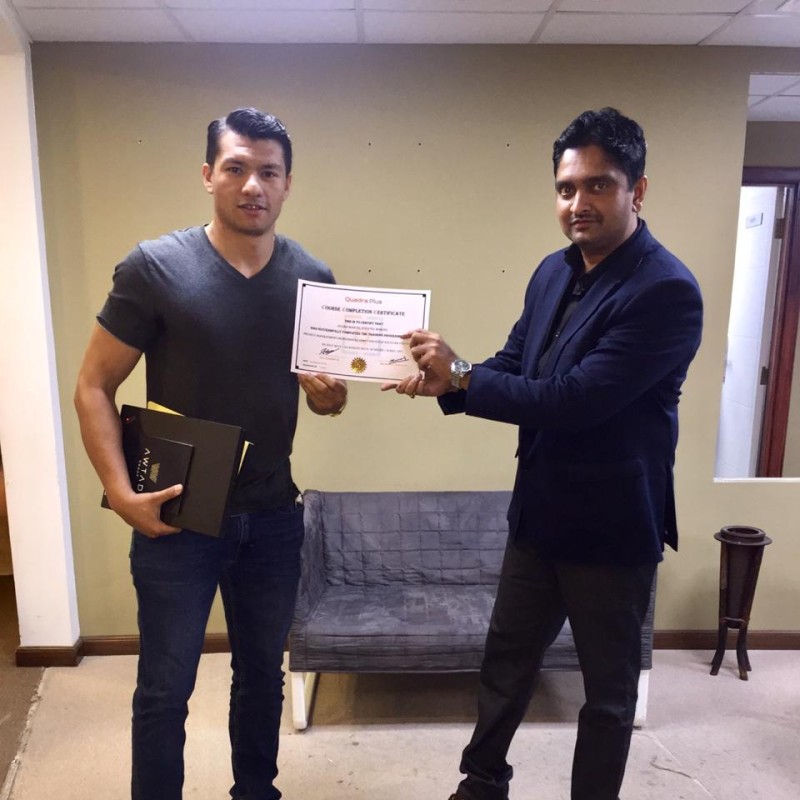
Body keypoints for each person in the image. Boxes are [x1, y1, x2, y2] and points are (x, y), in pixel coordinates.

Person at [384, 107, 703, 800]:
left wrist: (462, 376)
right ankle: (482, 782)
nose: (577, 202)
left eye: (598, 185)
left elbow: (574, 400)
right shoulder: (552, 272)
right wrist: (448, 376)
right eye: (566, 188)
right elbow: (514, 364)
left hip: (613, 529)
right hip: (539, 514)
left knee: (607, 694)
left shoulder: (666, 292)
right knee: (506, 661)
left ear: (638, 190)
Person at [74, 107, 347, 800]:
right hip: (177, 515)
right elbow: (93, 386)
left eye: (269, 172)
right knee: (164, 688)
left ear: (287, 184)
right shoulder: (154, 268)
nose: (253, 185)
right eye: (236, 168)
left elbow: (327, 401)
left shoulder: (313, 278)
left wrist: (328, 396)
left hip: (274, 516)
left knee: (261, 678)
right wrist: (123, 494)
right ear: (208, 175)